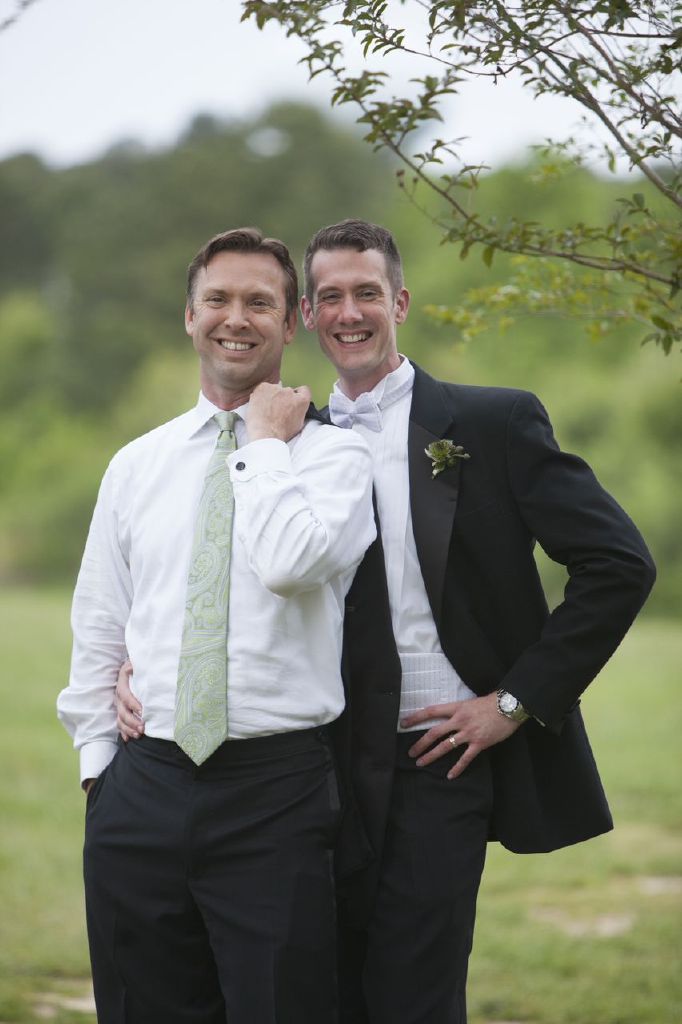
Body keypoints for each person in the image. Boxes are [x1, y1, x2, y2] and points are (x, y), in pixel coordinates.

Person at [116, 219, 656, 1024]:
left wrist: (513, 701)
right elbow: (221, 573)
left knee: (413, 999)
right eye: (329, 296)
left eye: (367, 293)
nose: (349, 313)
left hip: (432, 761)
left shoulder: (491, 424)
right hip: (303, 773)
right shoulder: (278, 440)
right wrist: (140, 667)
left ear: (399, 302)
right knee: (308, 995)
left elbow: (619, 565)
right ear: (306, 316)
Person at [57, 226, 376, 1024]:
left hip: (276, 795)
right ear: (189, 315)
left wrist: (264, 443)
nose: (236, 318)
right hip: (142, 789)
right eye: (218, 300)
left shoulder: (337, 459)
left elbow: (290, 563)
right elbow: (101, 621)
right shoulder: (137, 464)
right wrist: (100, 775)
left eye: (259, 302)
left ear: (291, 322)